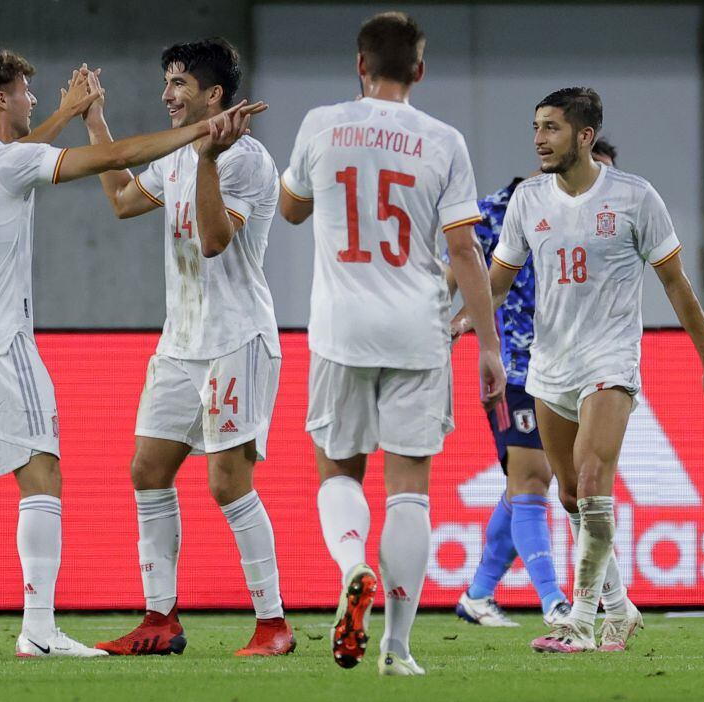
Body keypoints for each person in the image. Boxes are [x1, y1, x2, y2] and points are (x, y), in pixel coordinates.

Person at [0, 49, 264, 659]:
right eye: (26, 91)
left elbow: (21, 156)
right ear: (2, 99)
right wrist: (199, 132)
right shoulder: (11, 165)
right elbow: (111, 160)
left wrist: (67, 112)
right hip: (2, 344)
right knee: (42, 475)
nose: (33, 98)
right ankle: (38, 628)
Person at [279, 12, 506, 676]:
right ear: (419, 71)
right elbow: (464, 249)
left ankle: (353, 567)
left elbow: (291, 209)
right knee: (409, 491)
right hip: (418, 329)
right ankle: (397, 648)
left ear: (359, 66)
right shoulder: (444, 141)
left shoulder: (320, 124)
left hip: (340, 328)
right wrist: (487, 346)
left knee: (339, 471)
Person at [487, 87, 704, 653]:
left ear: (585, 136)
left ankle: (580, 619)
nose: (538, 139)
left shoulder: (635, 198)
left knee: (595, 484)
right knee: (572, 497)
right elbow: (500, 278)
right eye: (536, 127)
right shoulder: (528, 199)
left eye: (550, 128)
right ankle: (621, 609)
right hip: (549, 365)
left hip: (610, 360)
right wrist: (457, 320)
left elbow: (676, 283)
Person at [82, 39, 293, 657]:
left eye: (178, 82)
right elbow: (123, 202)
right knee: (147, 470)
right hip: (180, 342)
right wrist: (97, 120)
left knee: (228, 484)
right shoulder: (174, 154)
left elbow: (214, 242)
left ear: (213, 96)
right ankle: (160, 618)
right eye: (166, 82)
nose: (167, 93)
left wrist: (207, 159)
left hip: (237, 340)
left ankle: (273, 623)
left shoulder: (248, 160)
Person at [448, 138, 624, 630]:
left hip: (573, 372)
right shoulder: (498, 211)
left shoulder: (599, 226)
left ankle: (478, 595)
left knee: (528, 485)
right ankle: (554, 601)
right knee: (531, 479)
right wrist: (448, 322)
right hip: (514, 372)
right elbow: (455, 269)